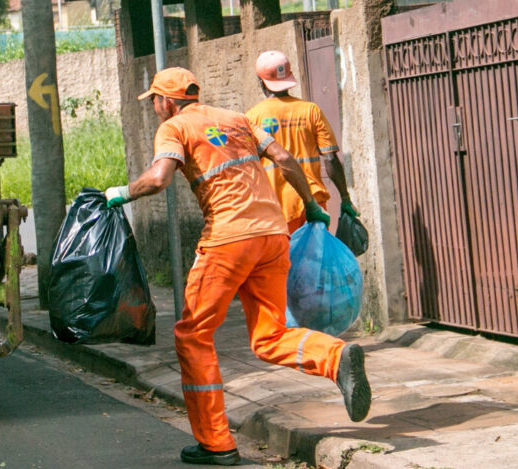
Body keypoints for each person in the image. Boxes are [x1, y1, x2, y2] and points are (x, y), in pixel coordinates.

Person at [104, 67, 371, 466]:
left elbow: (159, 178)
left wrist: (122, 193)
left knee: (193, 334)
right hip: (273, 235)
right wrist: (312, 205)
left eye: (155, 101)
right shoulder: (237, 119)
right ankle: (335, 357)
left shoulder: (174, 127)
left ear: (167, 101)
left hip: (228, 239)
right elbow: (284, 158)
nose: (155, 109)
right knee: (268, 335)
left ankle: (216, 443)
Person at [246, 50, 359, 234]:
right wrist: (345, 197)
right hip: (314, 204)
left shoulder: (252, 117)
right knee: (316, 260)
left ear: (261, 81)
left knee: (286, 262)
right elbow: (330, 159)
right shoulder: (311, 111)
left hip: (278, 208)